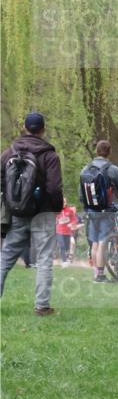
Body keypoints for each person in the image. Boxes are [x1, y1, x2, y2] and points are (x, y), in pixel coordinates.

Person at [0, 112, 63, 315]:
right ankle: (42, 306)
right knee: (44, 259)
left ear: (25, 128)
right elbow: (54, 188)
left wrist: (11, 203)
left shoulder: (9, 153)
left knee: (5, 258)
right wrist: (56, 208)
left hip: (18, 213)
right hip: (43, 213)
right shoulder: (49, 156)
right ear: (43, 129)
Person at [80, 139, 118, 283]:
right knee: (102, 242)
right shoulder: (113, 169)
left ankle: (96, 274)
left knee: (94, 242)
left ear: (96, 151)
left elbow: (81, 194)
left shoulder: (85, 169)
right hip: (106, 210)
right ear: (109, 152)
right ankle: (100, 275)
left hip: (91, 211)